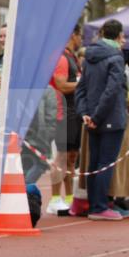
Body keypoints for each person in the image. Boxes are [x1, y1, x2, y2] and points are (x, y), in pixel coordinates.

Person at [75, 19, 128, 221]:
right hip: (109, 118)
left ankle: (96, 205)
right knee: (106, 163)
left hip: (92, 118)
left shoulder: (89, 56)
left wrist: (85, 114)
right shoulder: (116, 57)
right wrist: (96, 116)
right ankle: (99, 207)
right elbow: (112, 90)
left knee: (95, 162)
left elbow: (81, 88)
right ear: (119, 36)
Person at [47, 24, 83, 214]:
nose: (81, 39)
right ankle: (54, 199)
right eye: (79, 35)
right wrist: (83, 84)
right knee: (60, 157)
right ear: (72, 35)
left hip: (74, 112)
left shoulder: (72, 57)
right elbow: (61, 85)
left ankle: (69, 197)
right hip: (62, 113)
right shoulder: (61, 57)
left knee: (71, 158)